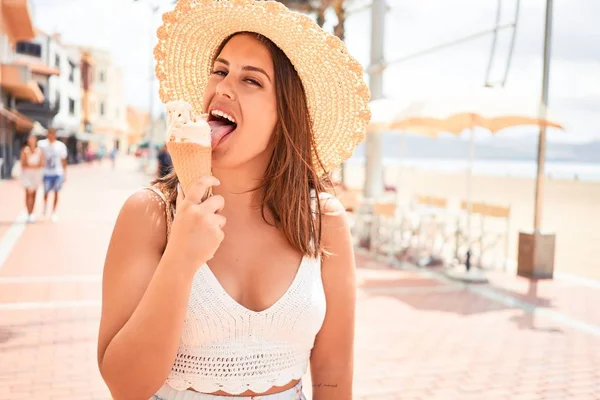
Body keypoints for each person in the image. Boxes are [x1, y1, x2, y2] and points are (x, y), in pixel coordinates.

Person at [97, 1, 371, 399]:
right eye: (220, 71)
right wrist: (181, 259)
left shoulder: (322, 219)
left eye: (251, 80)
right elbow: (124, 386)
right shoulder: (151, 213)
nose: (223, 87)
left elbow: (332, 374)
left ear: (286, 115)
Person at [38, 127, 68, 222]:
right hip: (46, 172)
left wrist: (65, 173)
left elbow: (63, 160)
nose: (51, 135)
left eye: (52, 133)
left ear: (55, 135)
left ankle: (53, 212)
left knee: (56, 192)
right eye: (49, 133)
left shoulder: (60, 146)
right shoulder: (42, 144)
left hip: (57, 172)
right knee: (46, 192)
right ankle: (45, 206)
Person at [19, 135, 45, 223]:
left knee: (34, 194)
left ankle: (32, 212)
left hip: (36, 175)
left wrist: (32, 166)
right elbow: (23, 163)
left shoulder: (39, 151)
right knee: (28, 193)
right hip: (27, 175)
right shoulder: (25, 150)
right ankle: (28, 212)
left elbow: (41, 163)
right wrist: (34, 166)